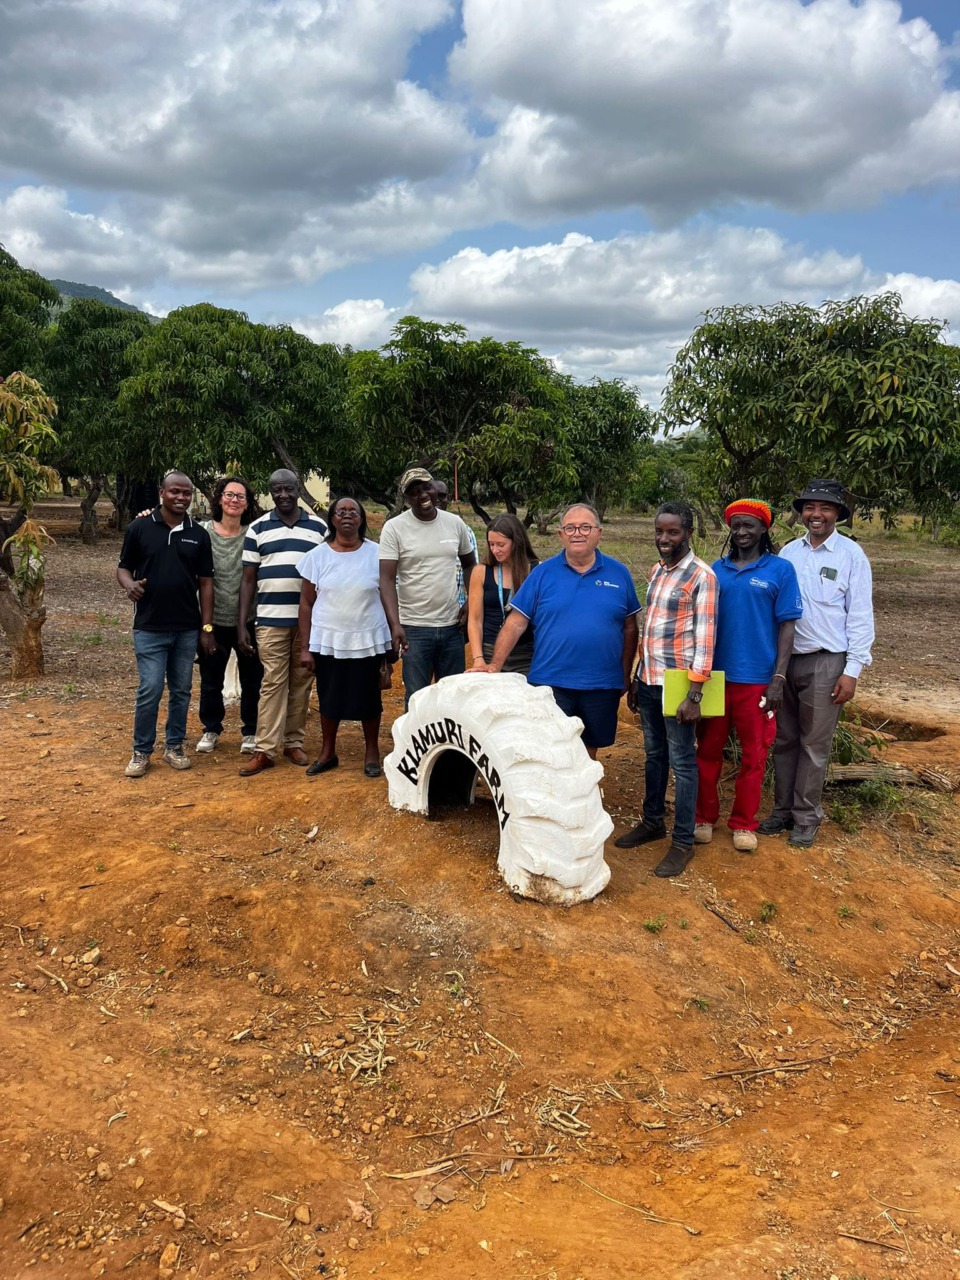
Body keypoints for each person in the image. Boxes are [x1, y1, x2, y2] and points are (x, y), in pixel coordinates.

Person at [759, 479, 874, 848]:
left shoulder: (851, 557)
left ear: (838, 513)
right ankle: (782, 811)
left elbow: (859, 616)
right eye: (809, 507)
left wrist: (852, 670)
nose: (816, 515)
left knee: (814, 744)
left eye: (825, 508)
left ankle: (807, 816)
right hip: (786, 661)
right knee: (785, 739)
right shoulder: (789, 554)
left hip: (827, 663)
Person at [475, 503, 640, 760]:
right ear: (560, 534)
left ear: (599, 532)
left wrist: (624, 673)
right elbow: (516, 622)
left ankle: (585, 797)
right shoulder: (542, 573)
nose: (578, 533)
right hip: (551, 682)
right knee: (549, 750)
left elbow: (630, 626)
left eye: (585, 527)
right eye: (570, 527)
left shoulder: (619, 574)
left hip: (601, 683)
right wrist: (495, 664)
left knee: (589, 750)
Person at [615, 501, 717, 878]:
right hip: (651, 678)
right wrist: (638, 678)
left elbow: (705, 641)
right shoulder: (658, 571)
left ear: (688, 532)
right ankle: (653, 820)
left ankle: (683, 841)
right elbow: (651, 631)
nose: (664, 538)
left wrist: (694, 695)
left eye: (672, 532)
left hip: (679, 684)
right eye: (660, 531)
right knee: (654, 754)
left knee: (683, 762)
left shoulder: (701, 577)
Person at [694, 500, 802, 852]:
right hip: (714, 677)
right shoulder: (716, 570)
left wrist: (779, 678)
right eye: (736, 525)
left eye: (749, 526)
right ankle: (704, 818)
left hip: (757, 679)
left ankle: (743, 823)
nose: (741, 532)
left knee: (754, 756)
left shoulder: (780, 570)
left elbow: (787, 626)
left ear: (763, 529)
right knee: (708, 750)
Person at [117, 470, 216, 777]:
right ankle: (141, 751)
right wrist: (129, 585)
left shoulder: (198, 534)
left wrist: (206, 628)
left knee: (182, 690)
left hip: (186, 627)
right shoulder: (139, 527)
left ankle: (174, 746)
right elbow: (123, 568)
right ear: (162, 492)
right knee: (149, 688)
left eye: (186, 493)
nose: (181, 497)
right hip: (149, 626)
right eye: (175, 491)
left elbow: (207, 584)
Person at [237, 469, 327, 776]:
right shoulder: (258, 528)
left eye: (289, 489)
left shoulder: (318, 528)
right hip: (270, 622)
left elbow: (325, 577)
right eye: (277, 490)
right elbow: (248, 580)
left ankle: (293, 742)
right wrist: (242, 624)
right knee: (273, 681)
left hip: (308, 624)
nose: (283, 495)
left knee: (301, 683)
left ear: (298, 489)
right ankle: (265, 749)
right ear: (270, 492)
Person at [297, 497, 393, 778]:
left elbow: (389, 596)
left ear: (362, 519)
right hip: (328, 640)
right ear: (333, 519)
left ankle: (372, 752)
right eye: (341, 511)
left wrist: (393, 636)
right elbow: (305, 603)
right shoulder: (317, 556)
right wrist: (305, 647)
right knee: (329, 697)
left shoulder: (378, 554)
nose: (348, 515)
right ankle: (328, 752)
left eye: (354, 511)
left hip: (369, 638)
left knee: (369, 697)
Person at [379, 467, 476, 707]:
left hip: (453, 627)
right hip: (414, 628)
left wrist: (471, 602)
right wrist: (395, 625)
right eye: (413, 492)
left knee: (453, 696)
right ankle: (414, 745)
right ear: (406, 499)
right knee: (417, 698)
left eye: (426, 488)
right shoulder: (394, 528)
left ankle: (449, 745)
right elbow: (386, 579)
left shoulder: (455, 523)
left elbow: (471, 566)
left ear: (435, 489)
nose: (422, 495)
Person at [194, 476, 264, 755]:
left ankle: (250, 731)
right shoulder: (202, 532)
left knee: (252, 679)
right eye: (229, 495)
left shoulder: (255, 533)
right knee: (211, 679)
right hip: (213, 619)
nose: (234, 500)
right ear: (219, 498)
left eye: (240, 496)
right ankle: (211, 729)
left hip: (248, 620)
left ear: (247, 503)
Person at [467, 514, 538, 675]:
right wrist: (478, 658)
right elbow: (475, 619)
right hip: (488, 651)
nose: (495, 550)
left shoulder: (537, 571)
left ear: (517, 542)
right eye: (491, 544)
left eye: (501, 544)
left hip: (527, 655)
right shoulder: (481, 572)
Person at [433, 478, 477, 613]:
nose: (437, 500)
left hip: (455, 613)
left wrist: (471, 603)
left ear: (449, 498)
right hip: (419, 617)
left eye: (442, 496)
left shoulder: (464, 530)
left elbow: (473, 572)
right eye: (433, 496)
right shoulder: (409, 531)